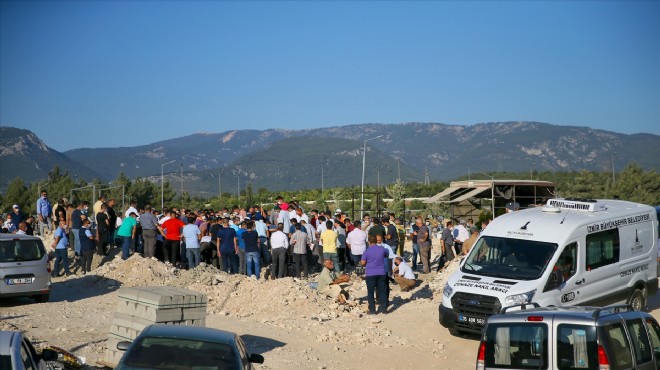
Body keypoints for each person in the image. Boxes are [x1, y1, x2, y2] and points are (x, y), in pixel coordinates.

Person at [361, 235, 389, 314]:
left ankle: (372, 310)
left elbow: (363, 263)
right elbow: (387, 255)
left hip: (370, 273)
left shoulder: (367, 251)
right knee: (382, 290)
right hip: (381, 272)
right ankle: (384, 309)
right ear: (377, 241)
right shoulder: (383, 249)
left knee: (370, 292)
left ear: (369, 242)